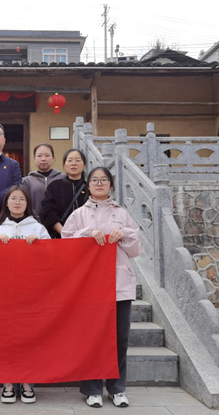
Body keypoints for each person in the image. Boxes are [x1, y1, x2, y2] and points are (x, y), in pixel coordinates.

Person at [62, 166, 143, 409]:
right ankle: (92, 389)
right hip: (88, 286)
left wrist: (123, 234)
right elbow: (66, 243)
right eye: (95, 180)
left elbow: (135, 249)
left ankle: (117, 389)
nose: (99, 183)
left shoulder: (122, 214)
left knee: (120, 338)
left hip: (119, 284)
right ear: (88, 185)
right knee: (91, 338)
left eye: (104, 179)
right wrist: (89, 233)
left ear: (111, 184)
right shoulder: (79, 214)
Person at [0, 184, 50, 404]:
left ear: (27, 203)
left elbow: (52, 258)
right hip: (4, 294)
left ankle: (27, 381)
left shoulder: (38, 229)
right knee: (5, 339)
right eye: (13, 198)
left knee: (29, 338)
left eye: (22, 199)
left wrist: (39, 246)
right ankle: (7, 381)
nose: (17, 202)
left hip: (32, 295)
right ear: (6, 202)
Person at [39, 149, 88, 238]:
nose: (73, 163)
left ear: (84, 165)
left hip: (86, 236)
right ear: (64, 165)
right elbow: (47, 212)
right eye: (70, 160)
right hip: (61, 237)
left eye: (77, 160)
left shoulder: (89, 187)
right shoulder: (54, 186)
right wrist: (64, 233)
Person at [22, 143, 64, 216]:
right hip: (34, 220)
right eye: (39, 156)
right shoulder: (27, 181)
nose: (43, 159)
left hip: (59, 220)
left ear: (53, 158)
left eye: (47, 155)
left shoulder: (62, 178)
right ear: (35, 159)